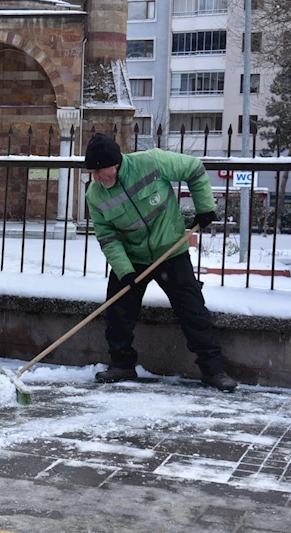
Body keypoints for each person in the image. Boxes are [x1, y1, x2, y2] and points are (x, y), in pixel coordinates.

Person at [84, 133, 238, 392]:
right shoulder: (95, 195)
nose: (96, 178)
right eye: (93, 173)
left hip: (171, 251)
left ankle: (213, 370)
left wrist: (204, 208)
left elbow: (194, 168)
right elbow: (107, 237)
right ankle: (122, 364)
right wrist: (125, 271)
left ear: (115, 164)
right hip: (133, 258)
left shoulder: (152, 162)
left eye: (99, 171)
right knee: (118, 311)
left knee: (192, 311)